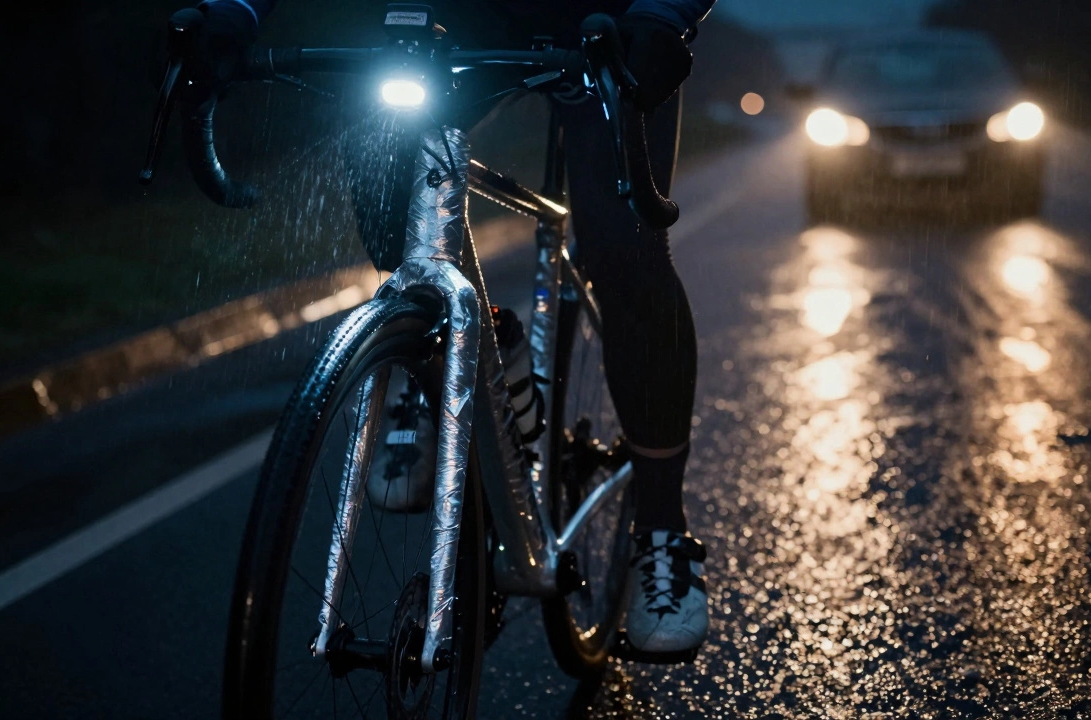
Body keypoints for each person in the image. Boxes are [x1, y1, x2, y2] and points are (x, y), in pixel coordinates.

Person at [192, 0, 713, 655]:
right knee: (391, 189)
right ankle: (458, 344)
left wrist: (667, 13)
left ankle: (662, 530)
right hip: (455, 16)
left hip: (613, 23)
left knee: (623, 251)